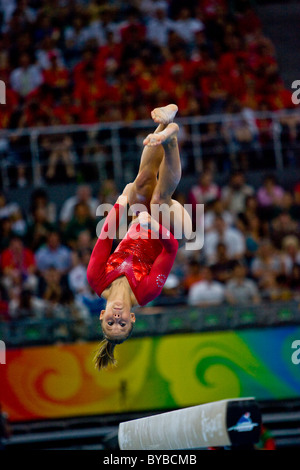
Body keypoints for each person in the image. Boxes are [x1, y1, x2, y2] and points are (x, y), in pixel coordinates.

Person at [87, 104, 192, 369]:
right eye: (122, 324)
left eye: (111, 322)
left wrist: (122, 203)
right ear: (133, 319)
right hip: (174, 227)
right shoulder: (147, 292)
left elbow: (106, 235)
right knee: (159, 199)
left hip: (143, 220)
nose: (117, 318)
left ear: (102, 314)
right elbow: (171, 250)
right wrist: (154, 227)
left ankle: (164, 125)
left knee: (142, 181)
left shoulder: (96, 279)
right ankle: (171, 140)